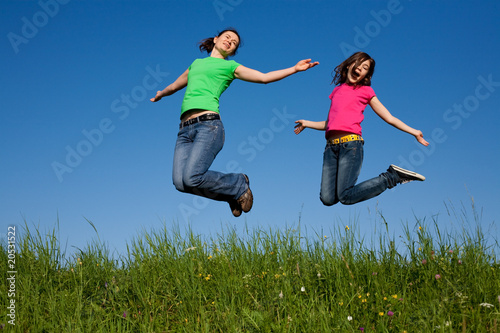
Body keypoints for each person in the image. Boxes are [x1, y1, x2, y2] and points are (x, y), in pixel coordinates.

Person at [150, 28, 318, 217]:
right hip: (184, 131)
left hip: (209, 126)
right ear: (216, 39)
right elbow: (175, 84)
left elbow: (264, 78)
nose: (230, 42)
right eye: (227, 37)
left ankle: (239, 182)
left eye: (235, 43)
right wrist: (161, 93)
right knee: (180, 183)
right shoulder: (196, 64)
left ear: (232, 51)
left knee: (191, 178)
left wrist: (294, 69)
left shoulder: (230, 68)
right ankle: (232, 194)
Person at [294, 52, 429, 206]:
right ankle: (392, 176)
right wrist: (307, 123)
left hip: (351, 146)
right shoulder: (337, 91)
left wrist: (414, 132)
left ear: (366, 75)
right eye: (357, 63)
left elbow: (389, 117)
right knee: (327, 198)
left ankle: (392, 176)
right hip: (330, 149)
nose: (359, 68)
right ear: (349, 64)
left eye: (365, 67)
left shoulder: (366, 91)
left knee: (345, 197)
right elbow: (331, 123)